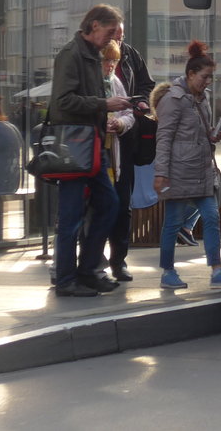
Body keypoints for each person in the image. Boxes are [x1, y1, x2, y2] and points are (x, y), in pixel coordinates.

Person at [49, 4, 130, 297]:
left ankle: (87, 271)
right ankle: (67, 279)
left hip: (90, 144)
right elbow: (62, 102)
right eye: (109, 32)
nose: (111, 39)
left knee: (109, 203)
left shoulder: (90, 56)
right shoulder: (72, 56)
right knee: (71, 216)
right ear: (94, 26)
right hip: (76, 145)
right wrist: (104, 105)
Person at [154, 41, 221, 290]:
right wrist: (162, 173)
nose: (208, 82)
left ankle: (217, 269)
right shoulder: (173, 100)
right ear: (191, 74)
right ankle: (167, 271)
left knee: (212, 217)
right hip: (179, 172)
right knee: (173, 223)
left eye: (211, 78)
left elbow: (201, 130)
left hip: (200, 170)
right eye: (205, 77)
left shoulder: (201, 98)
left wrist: (211, 135)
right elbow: (163, 138)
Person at [105, 23, 155, 281]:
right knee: (100, 203)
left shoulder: (132, 55)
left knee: (123, 201)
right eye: (115, 34)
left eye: (122, 34)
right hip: (99, 143)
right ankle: (95, 257)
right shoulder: (95, 61)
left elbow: (147, 85)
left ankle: (118, 260)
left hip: (125, 138)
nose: (119, 38)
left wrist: (140, 104)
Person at [98, 39, 135, 280]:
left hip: (116, 157)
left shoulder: (116, 83)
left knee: (122, 209)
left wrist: (120, 123)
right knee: (99, 210)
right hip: (96, 156)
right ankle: (97, 261)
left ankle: (118, 260)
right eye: (107, 60)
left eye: (114, 60)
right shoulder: (91, 82)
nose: (111, 65)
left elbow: (128, 113)